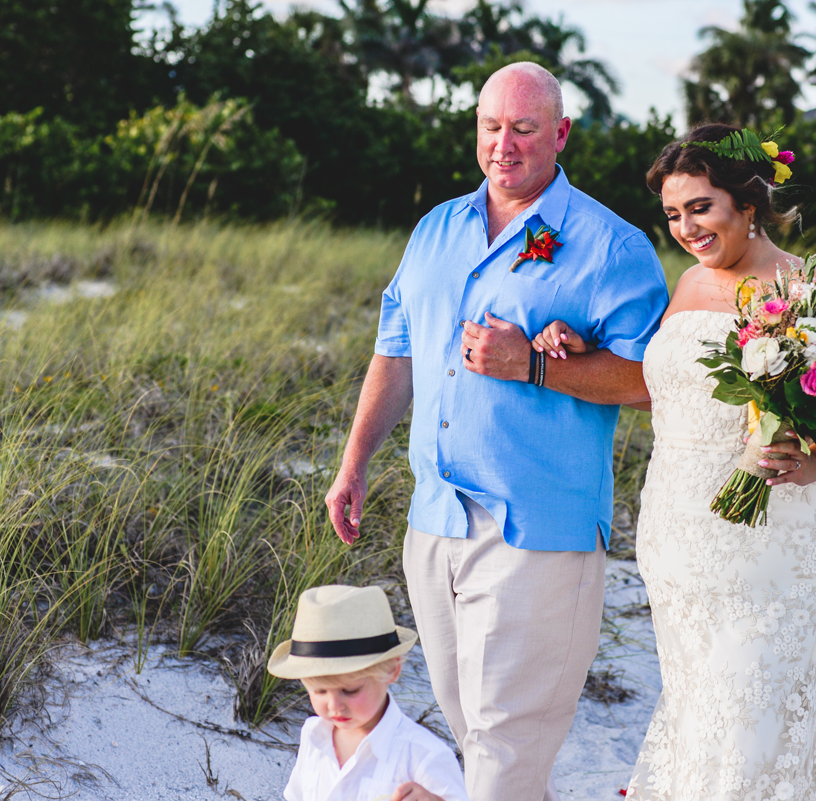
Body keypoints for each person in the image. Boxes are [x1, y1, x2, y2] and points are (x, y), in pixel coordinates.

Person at [323, 62, 669, 801]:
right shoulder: (436, 228)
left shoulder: (613, 246)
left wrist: (533, 367)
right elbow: (396, 350)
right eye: (491, 126)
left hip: (538, 531)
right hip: (435, 521)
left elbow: (651, 382)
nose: (503, 145)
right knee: (480, 744)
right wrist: (353, 463)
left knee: (506, 752)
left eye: (523, 128)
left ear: (560, 133)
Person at [533, 123, 816, 801]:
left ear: (748, 204)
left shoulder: (811, 291)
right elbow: (663, 375)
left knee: (747, 722)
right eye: (673, 214)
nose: (686, 227)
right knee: (703, 717)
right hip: (679, 536)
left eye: (700, 207)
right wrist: (573, 340)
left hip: (776, 542)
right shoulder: (690, 282)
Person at [268, 584, 469, 801]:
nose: (334, 705)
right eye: (320, 691)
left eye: (350, 690)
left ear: (392, 670)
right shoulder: (313, 735)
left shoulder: (424, 756)